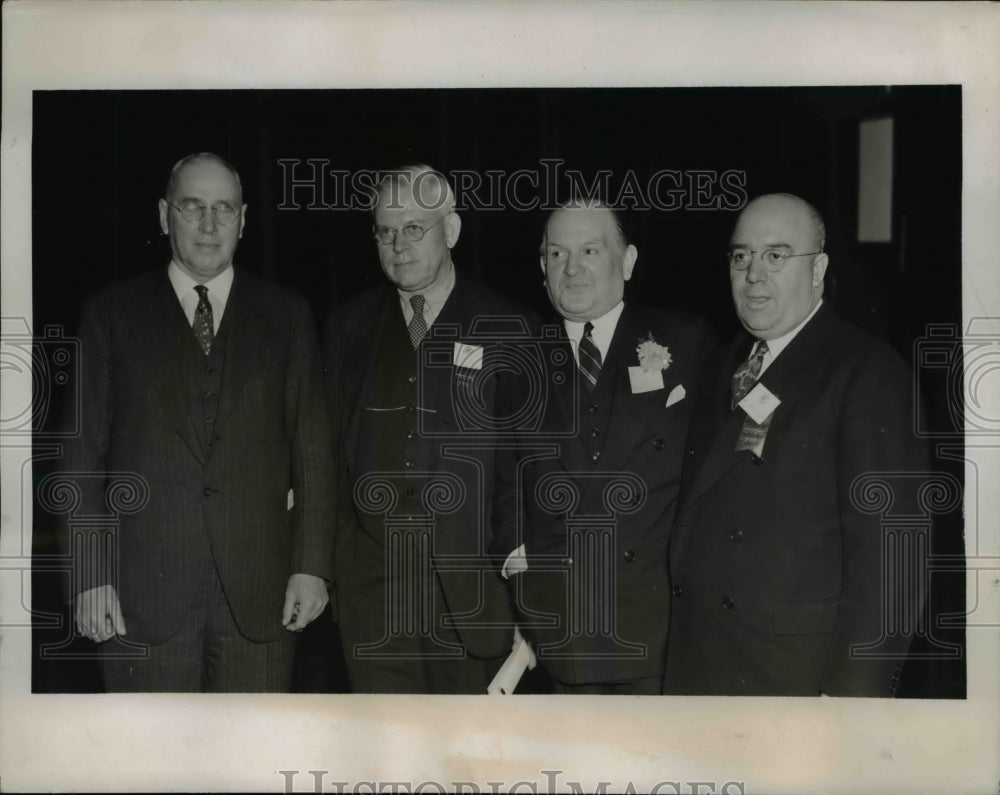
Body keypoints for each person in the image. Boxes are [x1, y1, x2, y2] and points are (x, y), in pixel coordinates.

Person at [63, 152, 335, 692]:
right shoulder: (110, 315)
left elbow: (313, 452)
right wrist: (89, 578)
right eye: (193, 208)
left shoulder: (288, 316)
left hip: (261, 598)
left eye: (224, 209)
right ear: (165, 216)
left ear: (244, 219)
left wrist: (312, 566)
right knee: (150, 767)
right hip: (137, 599)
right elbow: (81, 459)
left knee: (251, 765)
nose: (210, 225)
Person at [663, 193, 927, 696]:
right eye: (742, 256)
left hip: (794, 681)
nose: (754, 274)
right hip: (701, 668)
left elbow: (893, 563)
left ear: (818, 269)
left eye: (776, 255)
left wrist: (850, 702)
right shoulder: (723, 363)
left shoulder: (867, 372)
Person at [492, 198, 716, 694]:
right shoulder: (516, 361)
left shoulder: (687, 341)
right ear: (541, 268)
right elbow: (503, 484)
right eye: (556, 254)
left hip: (660, 630)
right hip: (560, 632)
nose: (571, 269)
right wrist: (526, 578)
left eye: (590, 250)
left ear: (628, 261)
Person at [324, 165, 533, 693]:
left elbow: (524, 475)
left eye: (415, 227)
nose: (399, 243)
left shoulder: (510, 326)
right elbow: (326, 459)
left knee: (471, 769)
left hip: (475, 606)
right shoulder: (347, 327)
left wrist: (526, 595)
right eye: (386, 230)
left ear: (453, 230)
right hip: (372, 606)